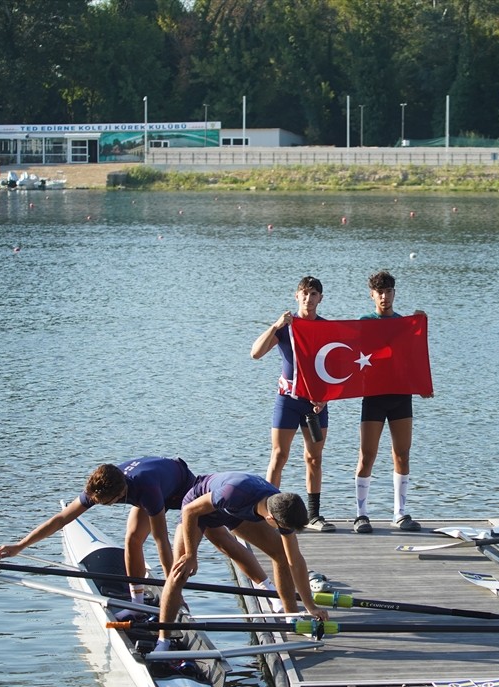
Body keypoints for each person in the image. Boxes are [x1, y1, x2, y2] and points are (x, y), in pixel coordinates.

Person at [0, 457, 275, 612]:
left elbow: (161, 541)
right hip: (151, 488)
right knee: (132, 539)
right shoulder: (101, 487)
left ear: (120, 494)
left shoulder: (146, 490)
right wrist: (20, 545)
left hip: (186, 491)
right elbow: (63, 518)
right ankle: (136, 601)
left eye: (108, 504)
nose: (101, 507)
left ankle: (266, 589)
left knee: (220, 539)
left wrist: (171, 591)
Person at [157, 471, 329, 651]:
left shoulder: (281, 505)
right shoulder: (233, 492)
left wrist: (310, 606)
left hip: (234, 509)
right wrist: (191, 555)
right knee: (179, 572)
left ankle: (292, 616)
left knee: (281, 554)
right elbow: (190, 510)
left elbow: (295, 560)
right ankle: (163, 640)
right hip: (198, 506)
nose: (287, 532)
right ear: (271, 519)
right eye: (284, 528)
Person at [251, 276, 334, 532]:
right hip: (288, 400)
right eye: (305, 294)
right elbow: (255, 353)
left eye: (314, 295)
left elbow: (338, 368)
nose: (309, 299)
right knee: (279, 455)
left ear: (321, 298)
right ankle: (267, 513)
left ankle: (314, 515)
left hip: (315, 403)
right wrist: (275, 325)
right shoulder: (286, 327)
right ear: (296, 296)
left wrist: (326, 397)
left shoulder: (326, 328)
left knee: (314, 458)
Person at [353, 270, 430, 533]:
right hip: (373, 397)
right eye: (379, 292)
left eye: (388, 291)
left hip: (400, 397)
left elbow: (414, 357)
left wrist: (422, 385)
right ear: (372, 295)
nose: (384, 296)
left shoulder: (405, 323)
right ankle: (361, 514)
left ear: (394, 294)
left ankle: (400, 513)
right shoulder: (365, 322)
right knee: (367, 456)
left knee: (402, 454)